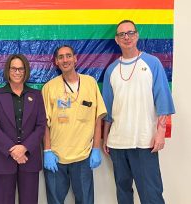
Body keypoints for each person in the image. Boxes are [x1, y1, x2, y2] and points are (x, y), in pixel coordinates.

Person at [102, 20, 175, 204]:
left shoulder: (152, 63)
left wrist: (160, 133)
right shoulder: (111, 70)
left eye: (130, 32)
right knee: (123, 192)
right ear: (116, 40)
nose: (126, 37)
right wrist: (105, 138)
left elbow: (163, 101)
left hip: (144, 141)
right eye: (121, 34)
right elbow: (108, 110)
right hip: (117, 143)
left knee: (151, 193)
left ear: (137, 35)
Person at [41, 45, 107, 204]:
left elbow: (98, 118)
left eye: (68, 56)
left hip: (83, 156)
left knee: (85, 200)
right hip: (56, 157)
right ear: (56, 61)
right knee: (55, 201)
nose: (65, 60)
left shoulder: (90, 83)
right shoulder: (49, 87)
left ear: (75, 58)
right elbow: (44, 123)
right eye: (61, 57)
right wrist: (48, 150)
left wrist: (96, 148)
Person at [0, 54, 46, 204]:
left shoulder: (36, 95)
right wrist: (12, 149)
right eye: (14, 68)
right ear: (8, 70)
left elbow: (40, 125)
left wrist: (24, 148)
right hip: (4, 158)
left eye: (21, 69)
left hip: (29, 158)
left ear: (26, 71)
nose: (17, 72)